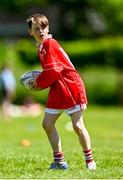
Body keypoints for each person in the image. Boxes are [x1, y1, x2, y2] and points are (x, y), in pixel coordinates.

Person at [26, 14, 96, 170]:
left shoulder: (50, 44)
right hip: (58, 88)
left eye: (44, 27)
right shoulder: (41, 46)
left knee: (77, 126)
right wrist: (41, 79)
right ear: (30, 32)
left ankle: (90, 161)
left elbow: (54, 71)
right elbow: (51, 72)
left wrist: (38, 82)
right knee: (47, 124)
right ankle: (59, 161)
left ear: (48, 28)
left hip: (70, 87)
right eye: (36, 28)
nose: (41, 31)